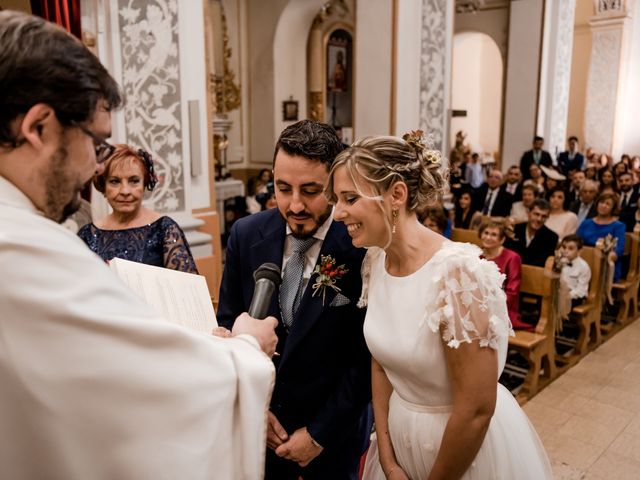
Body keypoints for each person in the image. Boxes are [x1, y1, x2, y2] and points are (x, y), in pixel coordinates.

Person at [0, 10, 278, 479]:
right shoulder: (20, 247)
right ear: (39, 128)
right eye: (96, 141)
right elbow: (148, 390)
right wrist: (248, 348)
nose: (96, 165)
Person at [327, 132, 552, 479]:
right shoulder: (375, 261)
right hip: (399, 441)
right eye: (337, 199)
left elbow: (476, 408)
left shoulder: (458, 274)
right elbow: (381, 363)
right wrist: (387, 459)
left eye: (350, 198)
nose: (338, 212)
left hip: (458, 452)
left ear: (396, 195)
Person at [217, 119, 371, 480]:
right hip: (258, 430)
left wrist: (319, 434)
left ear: (334, 185)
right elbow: (228, 321)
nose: (295, 204)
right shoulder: (245, 233)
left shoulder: (362, 246)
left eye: (311, 190)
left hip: (332, 439)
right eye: (283, 188)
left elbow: (365, 360)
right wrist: (256, 409)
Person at [78, 145, 198, 272]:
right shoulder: (88, 235)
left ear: (144, 184)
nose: (125, 191)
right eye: (115, 181)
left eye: (134, 181)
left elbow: (187, 287)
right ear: (103, 187)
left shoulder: (164, 230)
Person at [479, 219, 529, 331]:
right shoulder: (477, 255)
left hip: (503, 309)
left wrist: (491, 308)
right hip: (479, 305)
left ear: (502, 239)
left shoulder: (512, 258)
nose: (488, 237)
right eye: (486, 233)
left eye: (493, 235)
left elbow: (512, 291)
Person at [577, 192, 626, 281]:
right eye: (601, 202)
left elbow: (619, 249)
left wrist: (609, 256)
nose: (603, 206)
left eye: (607, 204)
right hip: (583, 262)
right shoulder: (586, 223)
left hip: (605, 266)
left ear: (613, 208)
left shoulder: (618, 226)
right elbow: (576, 242)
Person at [505, 199, 558, 267]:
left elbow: (542, 262)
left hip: (533, 274)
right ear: (528, 212)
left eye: (544, 216)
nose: (539, 219)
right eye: (536, 214)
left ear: (548, 217)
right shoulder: (514, 229)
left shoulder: (551, 237)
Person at [559, 235, 591, 308]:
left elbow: (581, 290)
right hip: (560, 292)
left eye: (570, 248)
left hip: (575, 296)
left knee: (561, 303)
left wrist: (567, 295)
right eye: (564, 247)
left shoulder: (583, 266)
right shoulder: (560, 262)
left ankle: (561, 319)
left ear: (579, 251)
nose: (566, 251)